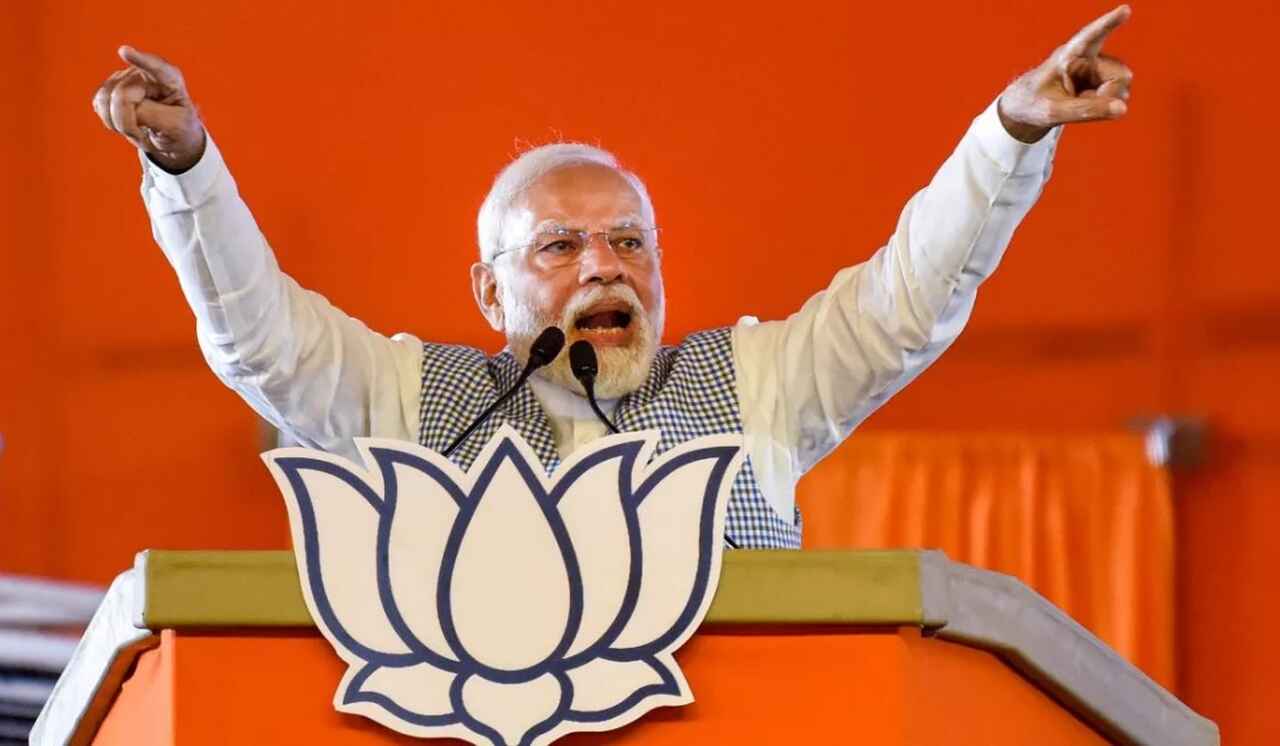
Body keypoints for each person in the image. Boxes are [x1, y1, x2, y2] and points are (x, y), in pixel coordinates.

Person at [91, 7, 1134, 549]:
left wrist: (1010, 133)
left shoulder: (757, 387)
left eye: (630, 242)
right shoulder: (415, 405)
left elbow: (906, 302)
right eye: (559, 245)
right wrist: (187, 166)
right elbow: (261, 343)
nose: (605, 265)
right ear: (489, 294)